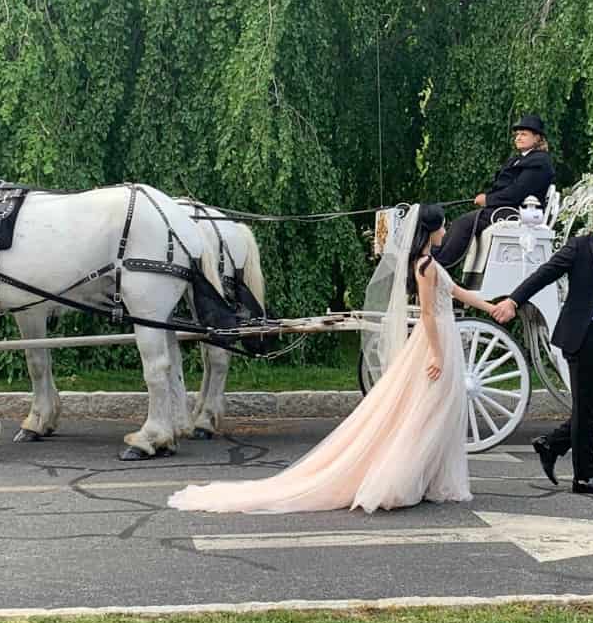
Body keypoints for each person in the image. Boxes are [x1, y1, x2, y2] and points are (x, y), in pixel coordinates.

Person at [168, 203, 497, 514]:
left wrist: (493, 306)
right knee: (427, 410)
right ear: (431, 229)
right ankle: (401, 477)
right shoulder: (425, 266)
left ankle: (426, 476)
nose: (446, 230)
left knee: (437, 408)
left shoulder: (430, 264)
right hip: (434, 340)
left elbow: (456, 292)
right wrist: (437, 354)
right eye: (442, 225)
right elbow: (426, 313)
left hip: (441, 337)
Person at [491, 191, 593, 496]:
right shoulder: (580, 246)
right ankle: (585, 476)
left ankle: (552, 444)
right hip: (582, 335)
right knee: (585, 404)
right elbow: (545, 274)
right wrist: (513, 299)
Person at [433, 114, 555, 270]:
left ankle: (441, 265)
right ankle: (437, 258)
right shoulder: (519, 159)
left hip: (518, 213)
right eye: (517, 134)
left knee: (464, 224)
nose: (518, 137)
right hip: (503, 208)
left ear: (537, 138)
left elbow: (518, 192)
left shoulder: (540, 161)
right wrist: (487, 199)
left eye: (523, 134)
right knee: (459, 223)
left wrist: (489, 200)